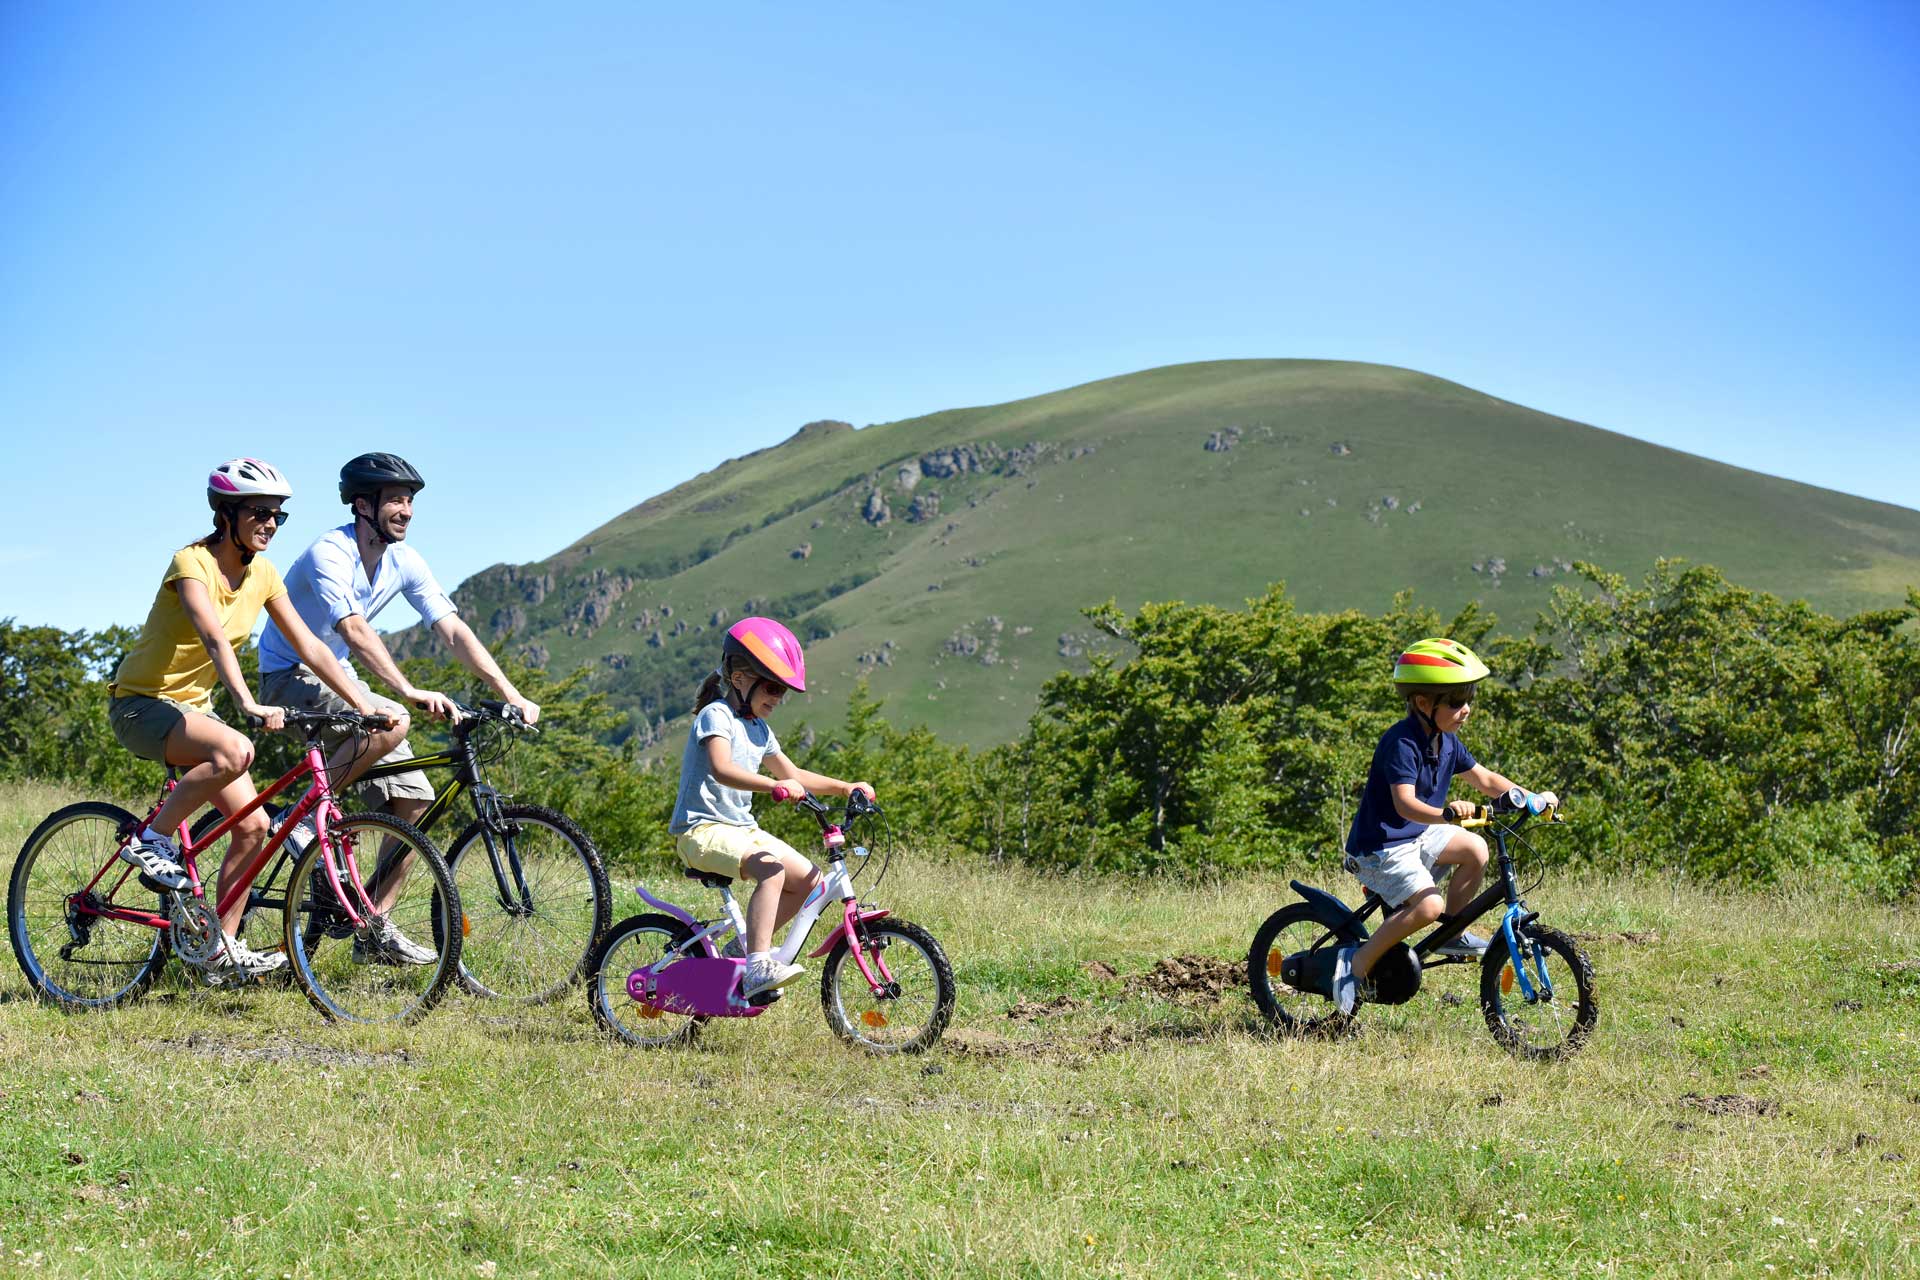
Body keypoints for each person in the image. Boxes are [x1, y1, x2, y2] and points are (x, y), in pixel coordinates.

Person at [255, 451, 540, 964]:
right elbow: (353, 630)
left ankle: (373, 928)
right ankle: (303, 822)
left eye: (410, 500)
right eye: (395, 500)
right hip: (288, 677)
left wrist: (509, 692)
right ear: (363, 505)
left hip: (339, 677)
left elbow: (451, 628)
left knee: (414, 801)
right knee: (395, 719)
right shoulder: (330, 554)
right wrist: (406, 691)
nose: (406, 510)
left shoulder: (404, 561)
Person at [107, 458, 383, 980]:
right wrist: (248, 705)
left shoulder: (264, 573)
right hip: (141, 704)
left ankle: (220, 949)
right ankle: (150, 840)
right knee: (235, 750)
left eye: (279, 516)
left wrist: (364, 704)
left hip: (193, 711)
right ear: (226, 514)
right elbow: (213, 636)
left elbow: (310, 645)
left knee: (254, 827)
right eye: (259, 512)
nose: (270, 524)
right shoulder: (191, 564)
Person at [1334, 637, 1558, 1014]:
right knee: (1429, 904)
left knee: (1476, 849)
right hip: (1380, 848)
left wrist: (1532, 798)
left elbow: (1486, 780)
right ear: (1424, 703)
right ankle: (1354, 966)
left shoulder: (1447, 742)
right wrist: (1446, 814)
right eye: (1456, 701)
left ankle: (1450, 933)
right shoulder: (1402, 743)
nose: (1466, 709)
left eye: (1469, 698)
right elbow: (1404, 803)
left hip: (1416, 836)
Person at [670, 617, 873, 998]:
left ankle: (744, 947)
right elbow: (721, 768)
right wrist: (773, 786)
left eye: (783, 692)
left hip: (740, 829)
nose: (778, 698)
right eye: (773, 687)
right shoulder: (717, 715)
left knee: (810, 881)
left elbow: (793, 772)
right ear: (741, 678)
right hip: (701, 830)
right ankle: (756, 967)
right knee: (773, 871)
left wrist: (847, 787)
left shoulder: (760, 728)